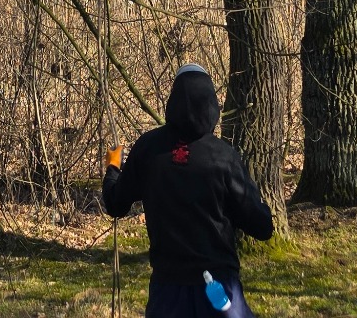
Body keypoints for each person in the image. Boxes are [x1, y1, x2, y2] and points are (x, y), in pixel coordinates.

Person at [103, 65, 273, 318]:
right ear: (211, 104)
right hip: (217, 286)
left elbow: (116, 203)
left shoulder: (148, 149)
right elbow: (261, 227)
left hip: (168, 289)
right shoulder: (223, 156)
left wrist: (113, 168)